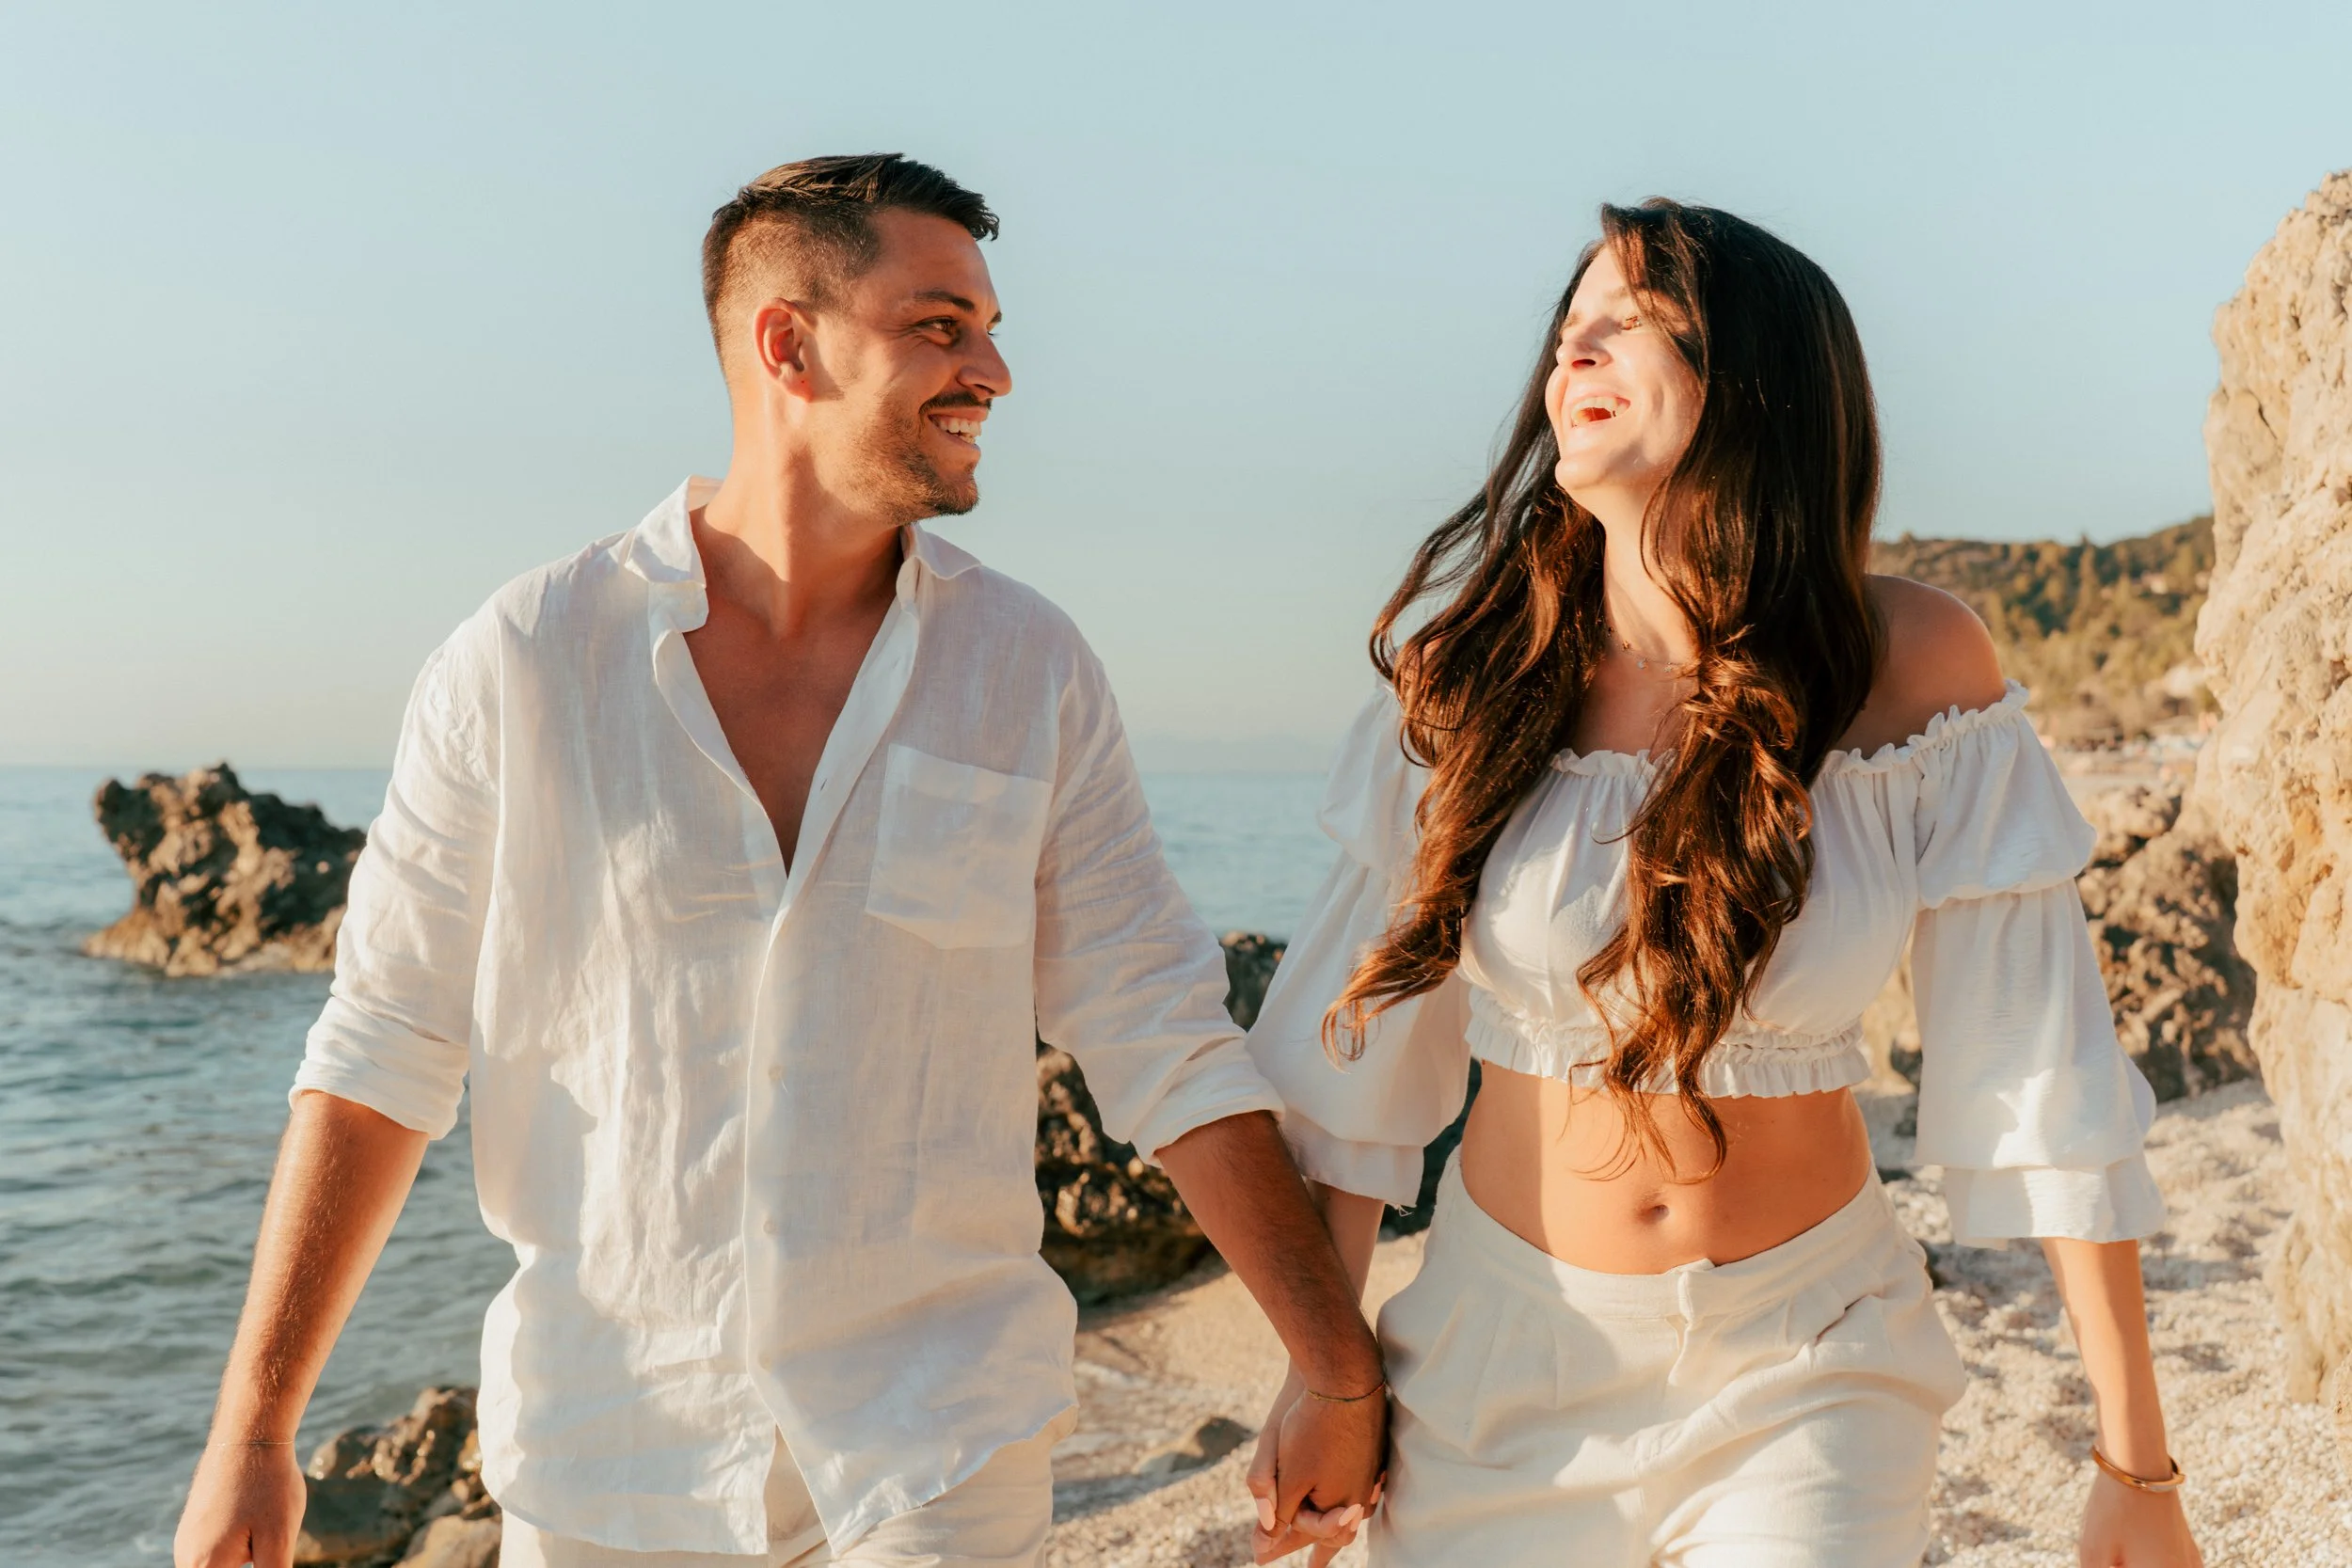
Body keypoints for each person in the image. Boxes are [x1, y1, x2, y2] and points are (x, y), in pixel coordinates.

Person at [172, 153, 1385, 1568]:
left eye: (991, 328)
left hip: (939, 1445)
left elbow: (1163, 1027)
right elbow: (382, 1049)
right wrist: (254, 1431)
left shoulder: (1031, 668)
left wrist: (1332, 1362)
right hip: (608, 1457)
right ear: (787, 343)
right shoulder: (524, 660)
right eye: (941, 324)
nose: (992, 370)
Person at [1242, 200, 2205, 1567]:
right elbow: (1355, 1084)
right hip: (1496, 1359)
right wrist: (1325, 1377)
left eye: (1626, 319)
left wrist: (2135, 1461)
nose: (1575, 347)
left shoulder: (1911, 666)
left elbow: (2042, 1072)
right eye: (1568, 327)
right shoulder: (1470, 678)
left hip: (1809, 1356)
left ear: (1754, 375)